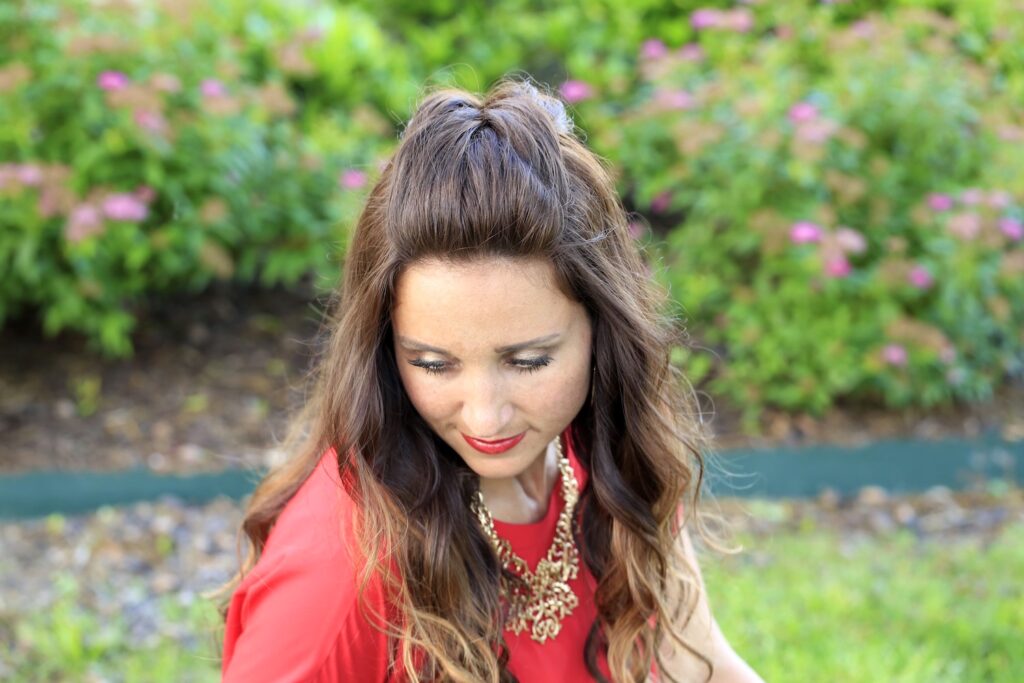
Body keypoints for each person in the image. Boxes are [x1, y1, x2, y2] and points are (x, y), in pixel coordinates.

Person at [219, 77, 764, 682]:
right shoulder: (339, 567)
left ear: (603, 331)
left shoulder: (604, 457)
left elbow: (705, 665)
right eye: (432, 363)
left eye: (528, 362)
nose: (485, 418)